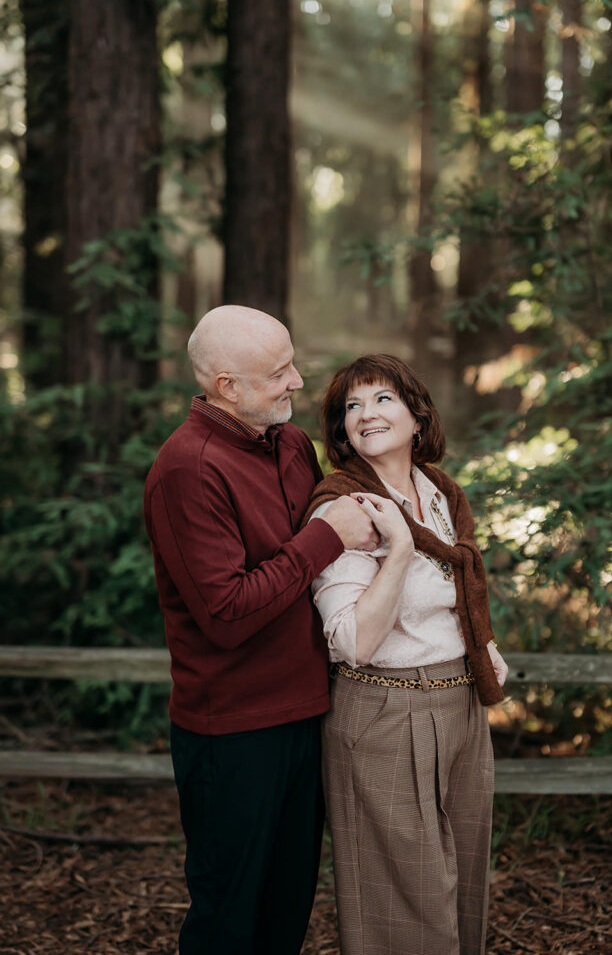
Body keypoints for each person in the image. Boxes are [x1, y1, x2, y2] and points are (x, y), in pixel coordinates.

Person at [143, 306, 376, 955]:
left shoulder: (293, 444)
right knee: (229, 917)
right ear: (226, 387)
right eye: (277, 373)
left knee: (286, 908)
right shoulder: (187, 469)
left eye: (291, 364)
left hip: (307, 714)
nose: (297, 381)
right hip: (232, 732)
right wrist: (323, 539)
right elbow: (226, 614)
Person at [305, 353, 508, 955]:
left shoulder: (441, 493)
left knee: (462, 890)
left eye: (382, 398)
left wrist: (483, 646)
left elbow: (455, 591)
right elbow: (351, 642)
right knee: (404, 905)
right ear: (342, 433)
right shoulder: (342, 506)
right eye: (352, 406)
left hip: (461, 708)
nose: (365, 414)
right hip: (385, 715)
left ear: (418, 416)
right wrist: (395, 550)